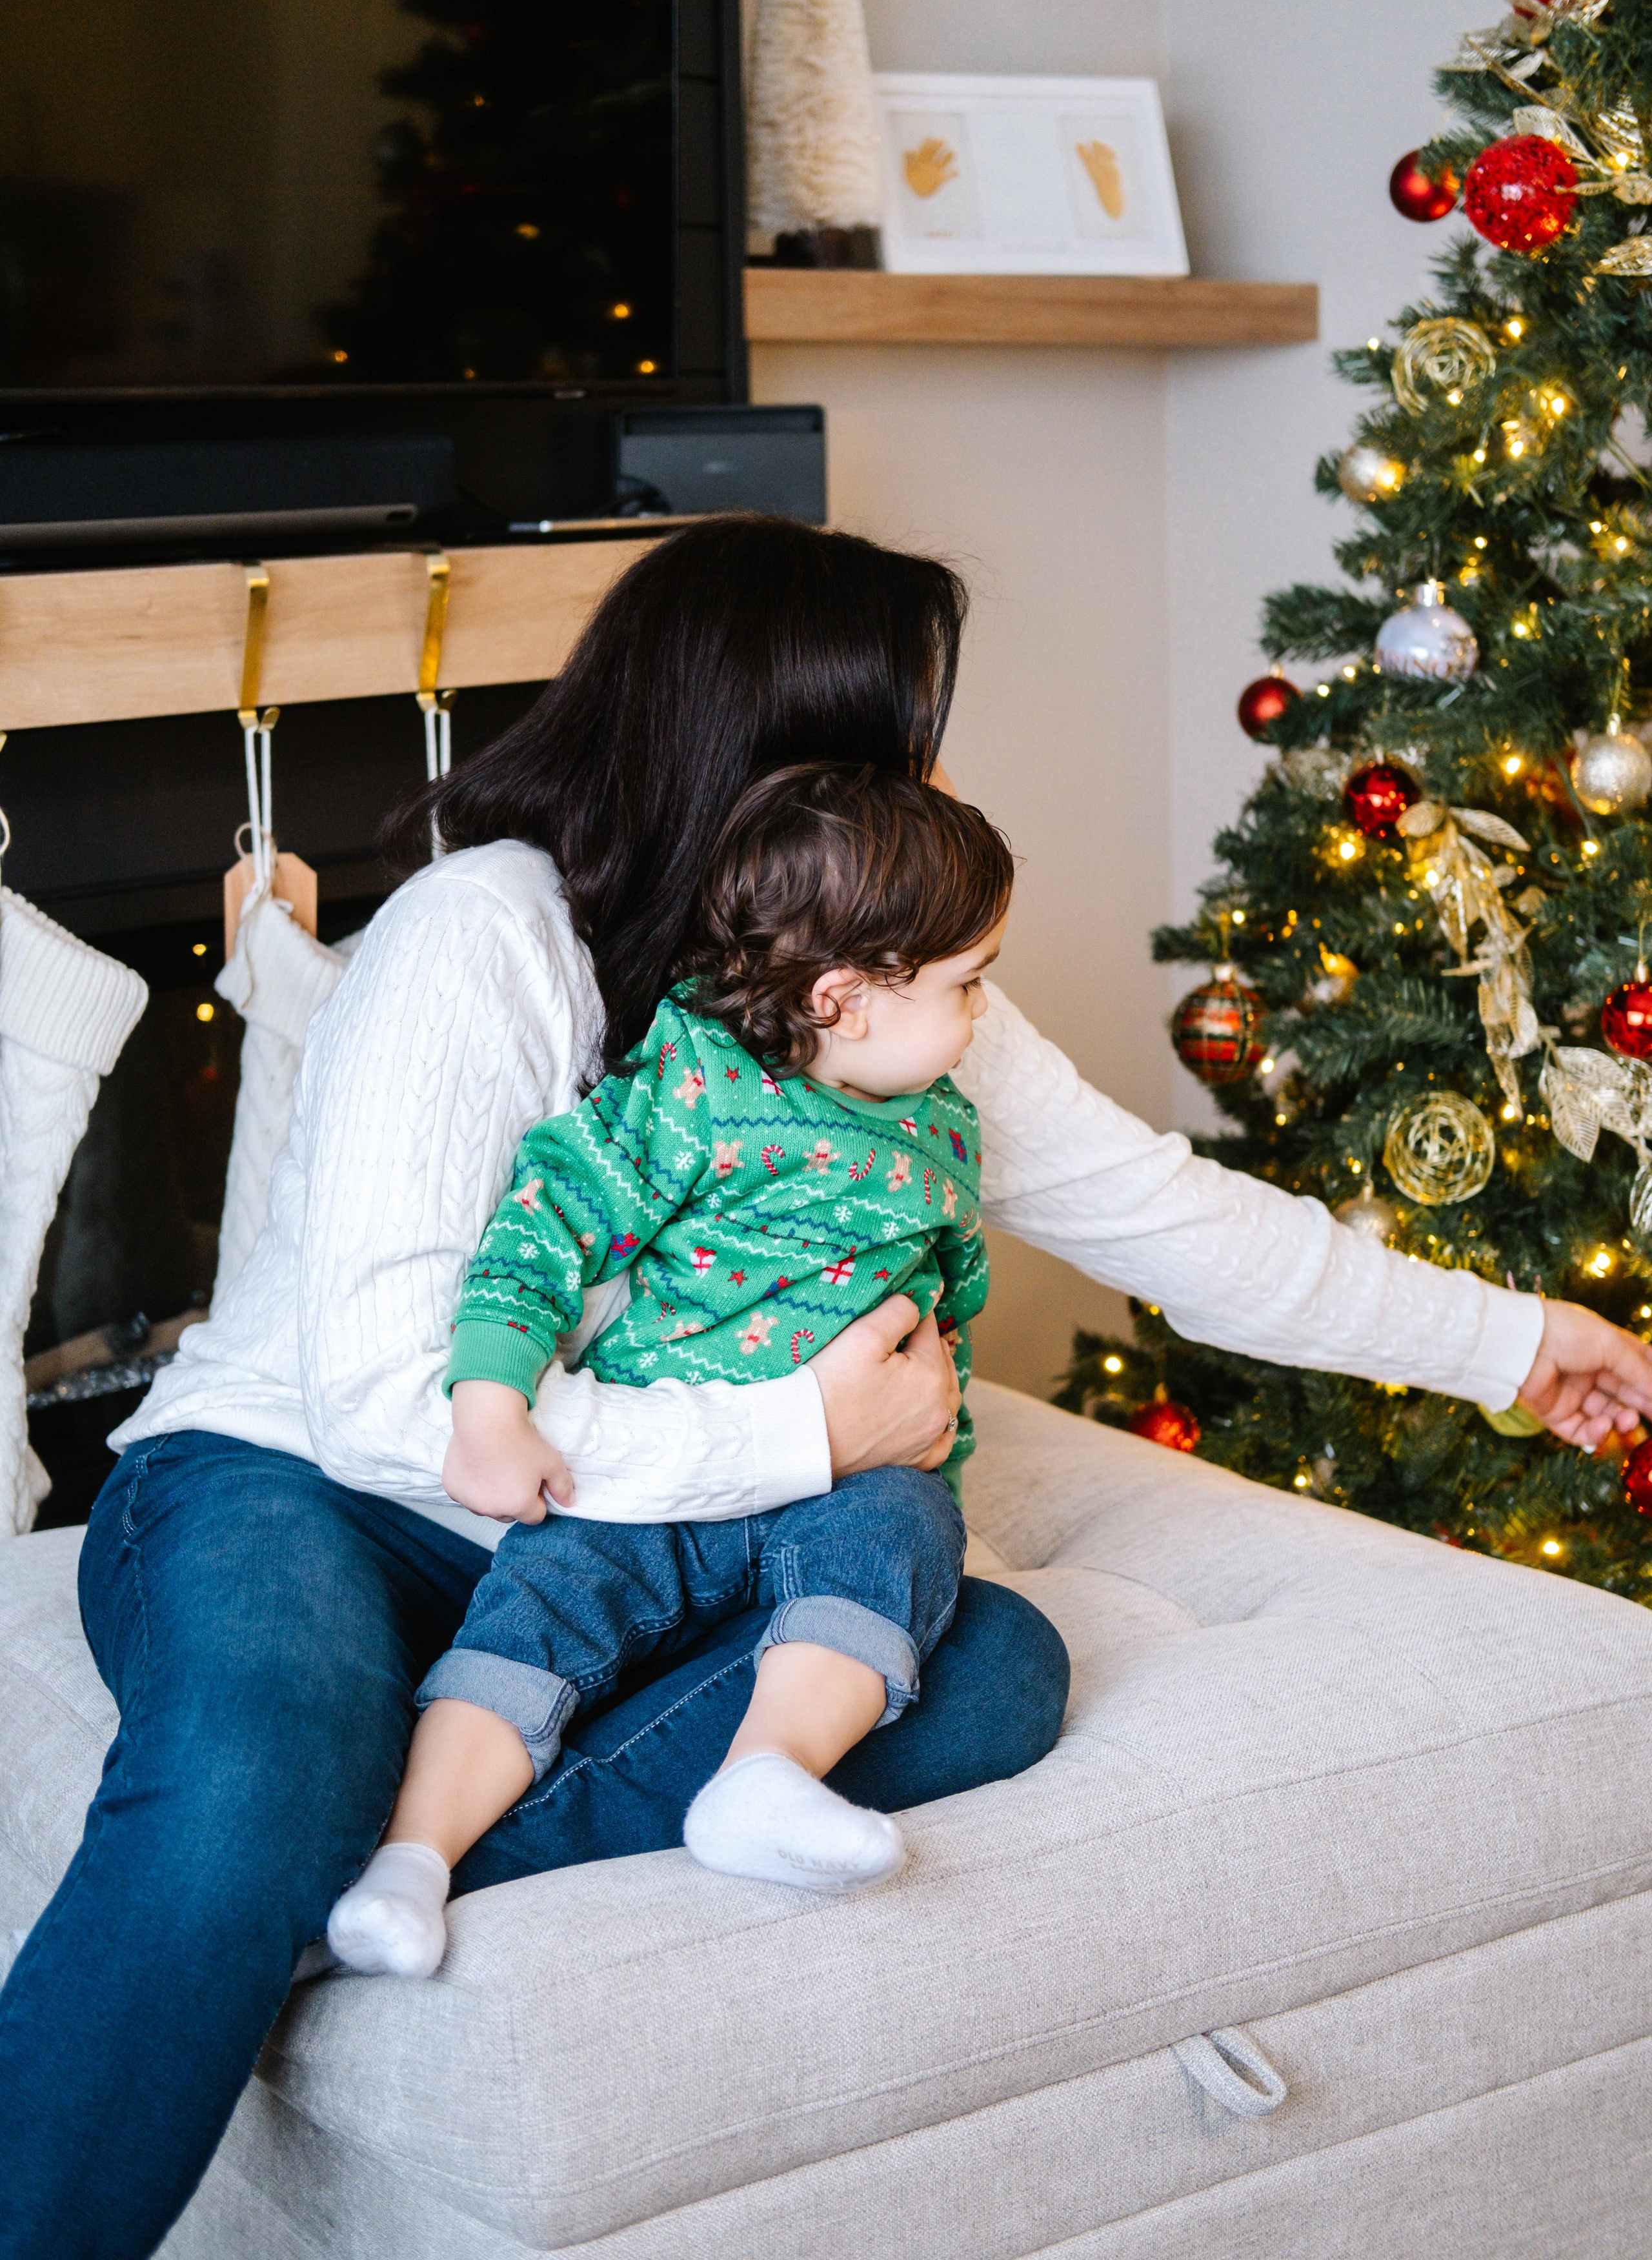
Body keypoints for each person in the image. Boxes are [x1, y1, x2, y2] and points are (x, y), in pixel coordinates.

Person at [2, 516, 1649, 2260]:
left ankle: (387, 1836)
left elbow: (1158, 1211)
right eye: (901, 741)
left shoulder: (868, 981)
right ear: (774, 757)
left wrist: (1509, 1344)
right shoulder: (475, 937)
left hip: (631, 1536)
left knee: (989, 1670)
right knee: (248, 1778)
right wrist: (807, 1431)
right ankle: (286, 1868)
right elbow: (392, 1411)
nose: (926, 785)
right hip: (303, 1487)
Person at [328, 762, 1014, 1975]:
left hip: (846, 1490)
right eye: (969, 982)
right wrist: (490, 1406)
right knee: (536, 1616)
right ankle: (411, 1861)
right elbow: (540, 1230)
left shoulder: (941, 1123)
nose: (984, 1010)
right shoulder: (693, 1088)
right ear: (846, 998)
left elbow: (946, 1323)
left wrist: (937, 1450)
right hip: (655, 1476)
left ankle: (763, 1778)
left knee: (907, 1541)